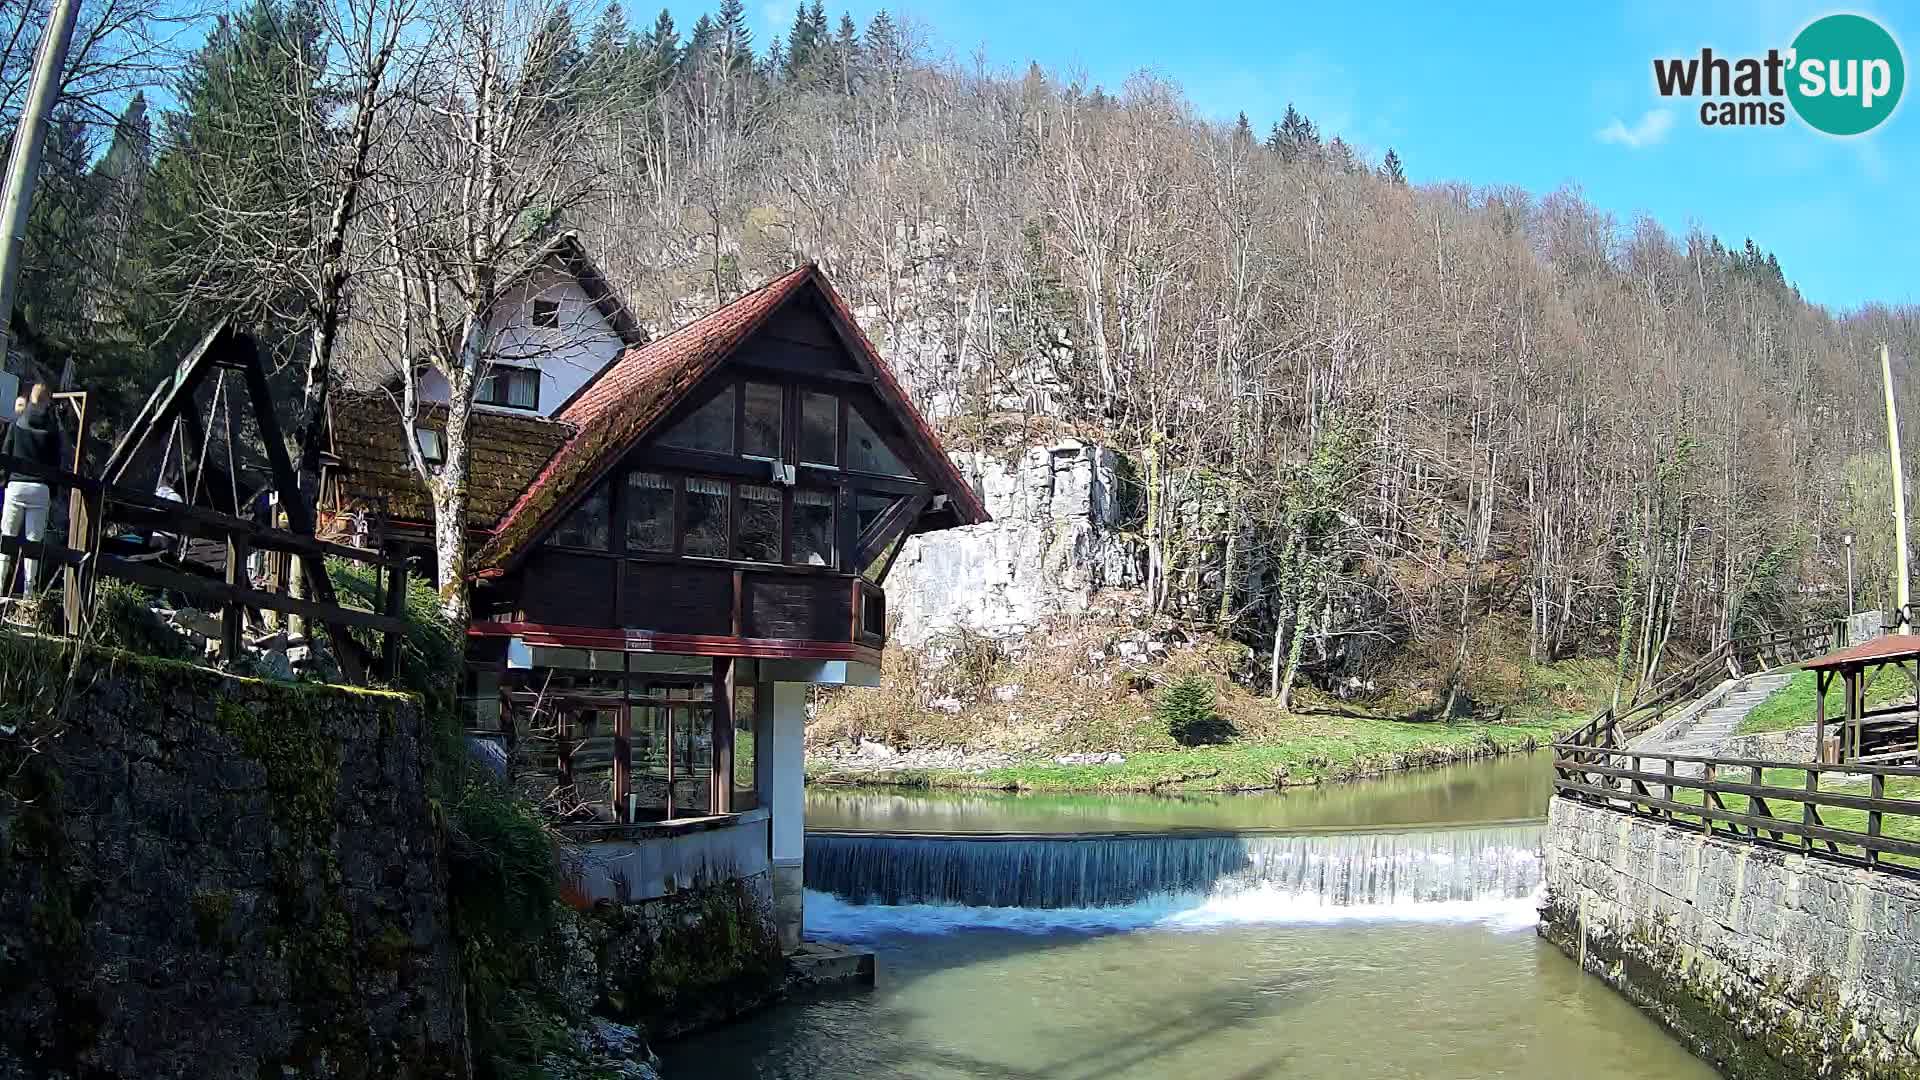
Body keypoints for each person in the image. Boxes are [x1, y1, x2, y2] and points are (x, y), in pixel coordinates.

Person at [0, 383, 65, 599]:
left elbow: (6, 453)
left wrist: (6, 481)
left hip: (16, 486)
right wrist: (52, 491)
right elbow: (57, 463)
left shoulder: (18, 422)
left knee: (7, 539)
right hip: (40, 489)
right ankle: (28, 595)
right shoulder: (52, 429)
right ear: (48, 401)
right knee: (33, 545)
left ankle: (0, 589)